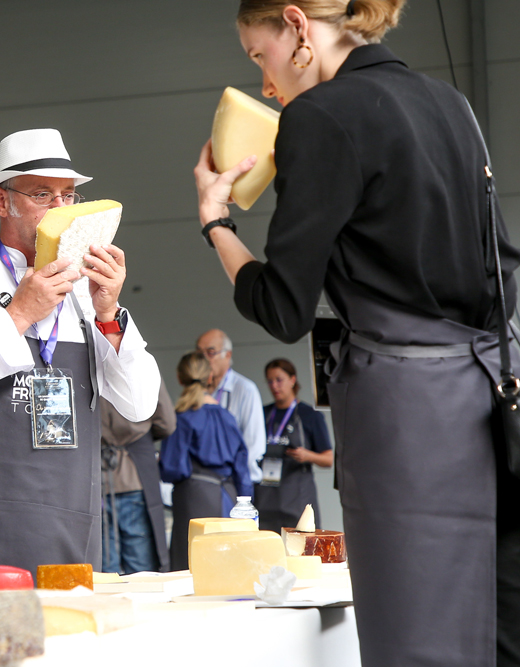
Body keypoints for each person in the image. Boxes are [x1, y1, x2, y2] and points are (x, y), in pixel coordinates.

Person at [192, 1, 520, 664]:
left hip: (408, 418)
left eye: (262, 56)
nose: (265, 83)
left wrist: (217, 222)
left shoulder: (318, 117)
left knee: (415, 632)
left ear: (296, 26)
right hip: (494, 399)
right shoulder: (450, 103)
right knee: (500, 622)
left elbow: (283, 306)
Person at [0, 128, 160, 595]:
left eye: (68, 195)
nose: (60, 209)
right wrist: (19, 314)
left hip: (69, 524)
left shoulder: (88, 291)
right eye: (42, 194)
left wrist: (108, 314)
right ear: (0, 202)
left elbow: (140, 404)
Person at [159, 351, 252, 571]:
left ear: (180, 378)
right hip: (228, 496)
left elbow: (173, 469)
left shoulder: (182, 418)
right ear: (210, 377)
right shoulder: (227, 417)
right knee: (228, 564)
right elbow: (242, 468)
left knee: (191, 566)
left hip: (194, 497)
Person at [100, 379, 176, 574]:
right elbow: (166, 423)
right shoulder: (141, 364)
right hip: (133, 476)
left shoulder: (83, 361)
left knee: (104, 566)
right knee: (141, 569)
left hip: (95, 479)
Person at [254, 358, 333, 535]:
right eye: (270, 381)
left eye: (279, 379)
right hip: (265, 499)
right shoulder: (262, 414)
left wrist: (308, 456)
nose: (274, 386)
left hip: (297, 500)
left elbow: (329, 459)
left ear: (292, 379)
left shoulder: (309, 415)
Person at [196, 329, 266, 484]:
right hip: (202, 483)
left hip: (234, 483)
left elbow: (253, 446)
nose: (203, 359)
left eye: (210, 352)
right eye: (199, 353)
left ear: (227, 355)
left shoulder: (245, 389)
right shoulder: (195, 392)